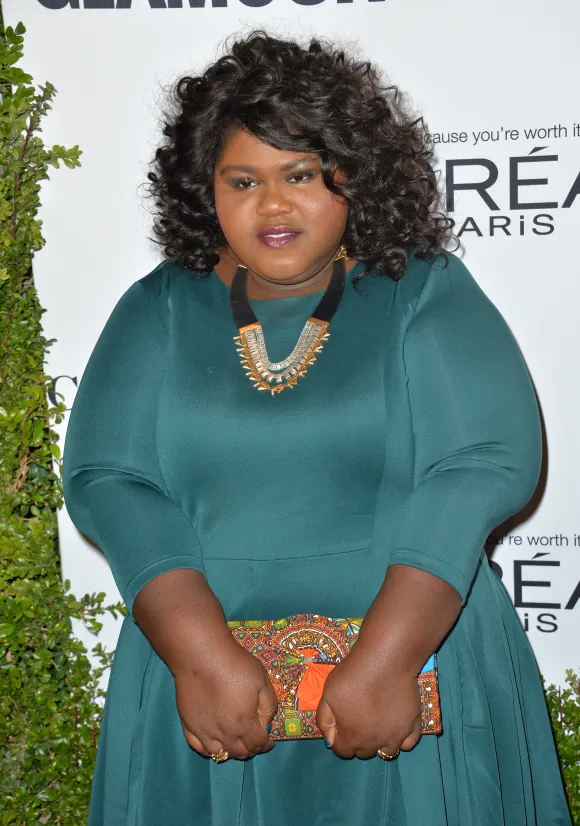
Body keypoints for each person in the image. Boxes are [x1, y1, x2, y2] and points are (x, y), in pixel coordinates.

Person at [62, 29, 572, 826]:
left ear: (353, 177)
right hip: (204, 689)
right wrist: (200, 656)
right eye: (242, 180)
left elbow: (483, 461)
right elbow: (107, 478)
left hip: (419, 667)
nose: (271, 205)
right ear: (207, 191)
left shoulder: (424, 291)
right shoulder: (156, 308)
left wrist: (389, 656)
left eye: (300, 174)